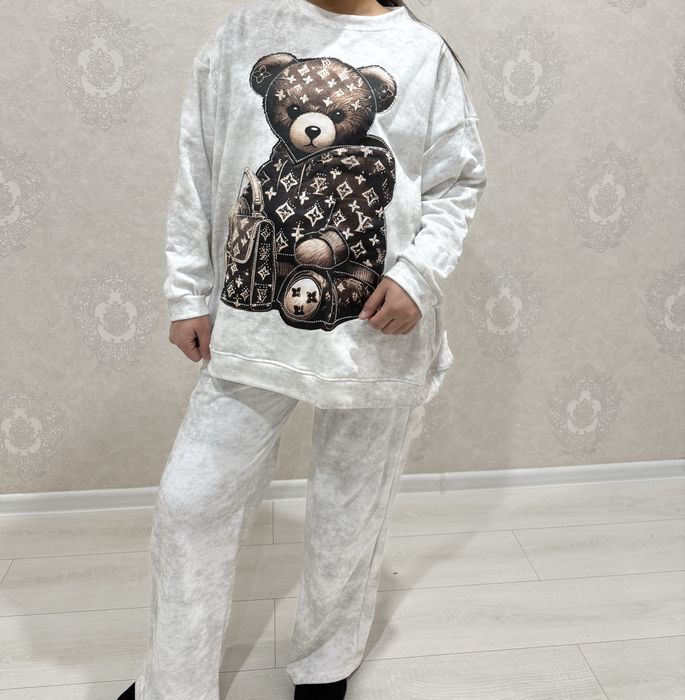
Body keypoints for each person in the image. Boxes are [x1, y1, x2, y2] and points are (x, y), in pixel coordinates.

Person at [118, 0, 487, 698]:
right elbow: (199, 168)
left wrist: (417, 277)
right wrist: (187, 293)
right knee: (192, 501)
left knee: (350, 510)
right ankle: (174, 684)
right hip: (251, 316)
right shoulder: (242, 34)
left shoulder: (423, 52)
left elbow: (456, 182)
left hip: (374, 326)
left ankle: (324, 668)